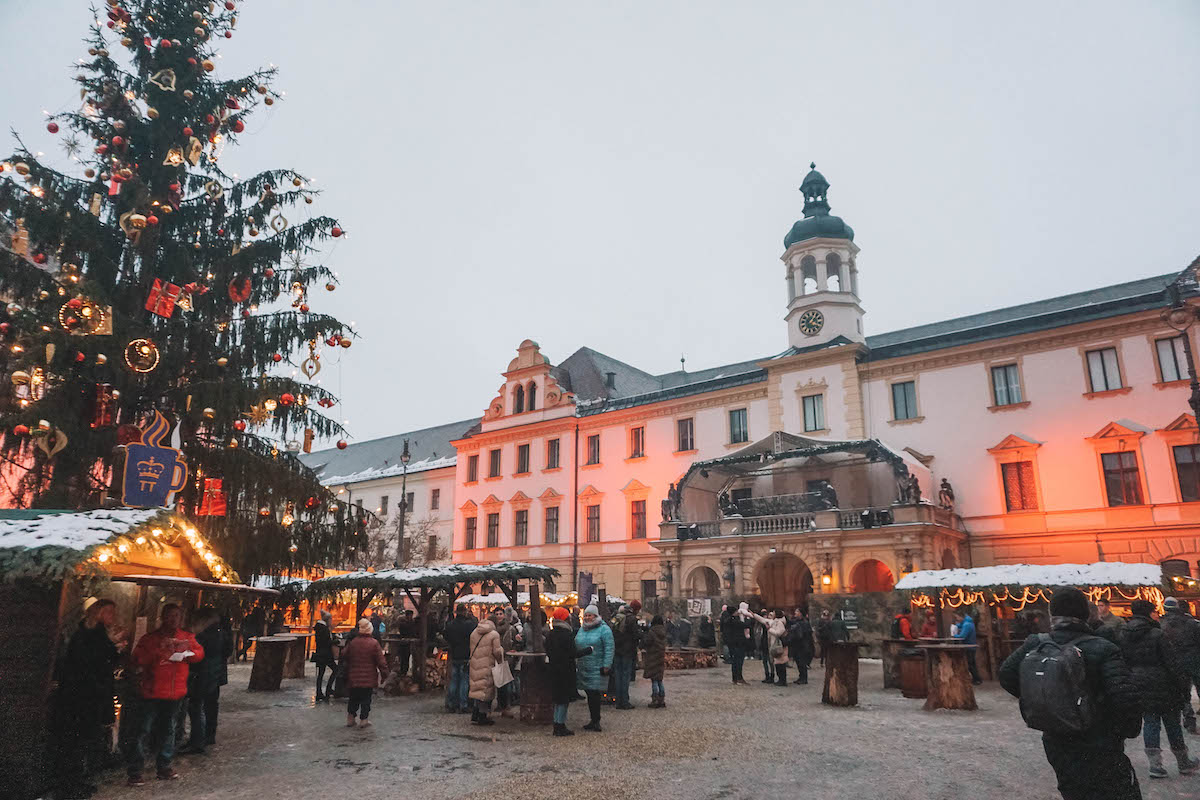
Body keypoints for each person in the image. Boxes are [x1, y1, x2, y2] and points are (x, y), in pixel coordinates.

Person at [999, 588, 1143, 800]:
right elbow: (1123, 696)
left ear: (1052, 615)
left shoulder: (1037, 643)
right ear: (1086, 615)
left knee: (1073, 791)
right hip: (1098, 740)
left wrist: (1045, 699)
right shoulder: (1103, 648)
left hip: (1057, 739)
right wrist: (1122, 729)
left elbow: (1006, 675)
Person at [1118, 599, 1199, 778]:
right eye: (1154, 610)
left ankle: (1155, 765)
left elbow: (1123, 661)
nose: (1157, 613)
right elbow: (1171, 663)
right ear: (1148, 612)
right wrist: (1182, 687)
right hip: (1164, 685)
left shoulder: (1123, 634)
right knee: (1172, 723)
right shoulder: (1157, 634)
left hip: (1139, 684)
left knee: (1150, 722)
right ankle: (1183, 762)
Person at [126, 604, 204, 785]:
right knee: (142, 731)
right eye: (170, 616)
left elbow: (199, 654)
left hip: (175, 692)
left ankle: (164, 766)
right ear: (163, 617)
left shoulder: (186, 637)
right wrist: (160, 651)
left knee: (168, 730)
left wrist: (187, 654)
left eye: (177, 616)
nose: (173, 619)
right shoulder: (150, 639)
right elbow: (138, 658)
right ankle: (136, 771)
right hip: (152, 692)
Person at [56, 598, 123, 798]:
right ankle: (70, 786)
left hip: (87, 697)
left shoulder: (93, 634)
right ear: (100, 613)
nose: (113, 617)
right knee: (77, 742)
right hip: (83, 699)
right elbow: (95, 664)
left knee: (82, 742)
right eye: (110, 612)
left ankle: (77, 781)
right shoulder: (90, 635)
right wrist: (114, 648)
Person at [180, 606, 229, 755]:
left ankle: (197, 741)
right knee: (211, 705)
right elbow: (228, 651)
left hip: (203, 675)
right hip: (216, 674)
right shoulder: (222, 632)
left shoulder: (205, 635)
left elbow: (198, 655)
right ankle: (208, 735)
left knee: (196, 706)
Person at [546, 607, 593, 736]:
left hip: (554, 669)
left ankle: (557, 723)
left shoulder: (551, 634)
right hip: (565, 670)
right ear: (565, 619)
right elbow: (572, 654)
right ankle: (560, 725)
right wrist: (588, 650)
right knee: (563, 700)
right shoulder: (566, 634)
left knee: (558, 699)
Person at [1160, 596, 1200, 736]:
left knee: (1184, 694)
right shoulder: (1191, 623)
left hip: (1176, 662)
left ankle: (1190, 722)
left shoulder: (1162, 624)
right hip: (1195, 660)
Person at [573, 604, 615, 731]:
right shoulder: (582, 629)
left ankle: (596, 721)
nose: (587, 618)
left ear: (595, 615)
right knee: (589, 692)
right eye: (585, 615)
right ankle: (593, 719)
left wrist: (607, 664)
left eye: (589, 615)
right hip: (584, 665)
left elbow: (609, 647)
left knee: (594, 693)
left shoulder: (604, 630)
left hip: (597, 666)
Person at [342, 618, 388, 728]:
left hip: (353, 677)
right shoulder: (374, 643)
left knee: (353, 698)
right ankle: (364, 719)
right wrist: (384, 674)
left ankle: (350, 718)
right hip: (368, 677)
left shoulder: (353, 642)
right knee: (366, 699)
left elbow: (344, 654)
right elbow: (381, 661)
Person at [467, 608, 505, 726]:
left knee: (477, 689)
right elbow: (497, 652)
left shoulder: (474, 632)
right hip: (487, 664)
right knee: (486, 691)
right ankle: (482, 716)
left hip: (475, 664)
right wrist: (501, 657)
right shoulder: (494, 634)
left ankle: (475, 714)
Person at [440, 604, 476, 713]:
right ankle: (463, 704)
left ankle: (451, 704)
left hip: (455, 654)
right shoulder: (469, 625)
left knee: (454, 680)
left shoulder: (451, 625)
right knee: (464, 681)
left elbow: (445, 635)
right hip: (466, 655)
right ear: (465, 612)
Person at [745, 608, 790, 686]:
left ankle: (783, 680)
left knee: (781, 663)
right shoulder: (773, 622)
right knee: (777, 663)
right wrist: (754, 615)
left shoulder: (780, 623)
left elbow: (779, 632)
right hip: (774, 645)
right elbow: (762, 620)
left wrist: (770, 629)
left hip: (779, 645)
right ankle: (780, 680)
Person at [611, 600, 641, 710]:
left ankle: (618, 701)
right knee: (625, 677)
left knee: (618, 676)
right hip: (627, 651)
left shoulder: (617, 617)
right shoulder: (632, 619)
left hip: (617, 650)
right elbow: (635, 635)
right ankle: (625, 701)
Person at [642, 615, 668, 708]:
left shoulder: (652, 632)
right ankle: (662, 699)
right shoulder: (663, 631)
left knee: (654, 680)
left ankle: (655, 699)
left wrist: (645, 633)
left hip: (652, 657)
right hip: (660, 657)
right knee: (659, 679)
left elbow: (647, 642)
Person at [721, 604, 749, 684]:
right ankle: (739, 677)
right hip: (738, 643)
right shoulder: (734, 621)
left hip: (732, 643)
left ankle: (735, 678)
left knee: (734, 661)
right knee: (739, 661)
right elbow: (746, 625)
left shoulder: (727, 620)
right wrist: (747, 617)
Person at [953, 609, 982, 685]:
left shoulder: (967, 625)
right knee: (972, 663)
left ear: (961, 616)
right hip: (971, 646)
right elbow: (959, 625)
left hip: (969, 646)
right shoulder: (967, 622)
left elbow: (962, 636)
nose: (956, 619)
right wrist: (955, 626)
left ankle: (976, 679)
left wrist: (954, 635)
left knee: (970, 664)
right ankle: (977, 679)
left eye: (957, 617)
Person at [313, 609, 337, 702]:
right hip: (325, 654)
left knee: (321, 673)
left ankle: (319, 692)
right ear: (328, 620)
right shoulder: (324, 629)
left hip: (320, 653)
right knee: (336, 669)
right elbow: (326, 641)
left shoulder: (320, 628)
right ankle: (328, 689)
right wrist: (333, 641)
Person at [788, 609, 815, 685]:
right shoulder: (796, 621)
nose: (795, 613)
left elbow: (807, 634)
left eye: (797, 611)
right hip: (796, 645)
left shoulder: (805, 623)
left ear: (800, 613)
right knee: (798, 662)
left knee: (802, 662)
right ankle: (801, 677)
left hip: (802, 645)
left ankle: (804, 678)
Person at [394, 609, 415, 677]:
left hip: (406, 642)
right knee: (404, 658)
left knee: (405, 657)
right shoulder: (405, 623)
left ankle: (403, 671)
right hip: (405, 642)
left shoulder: (405, 622)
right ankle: (403, 671)